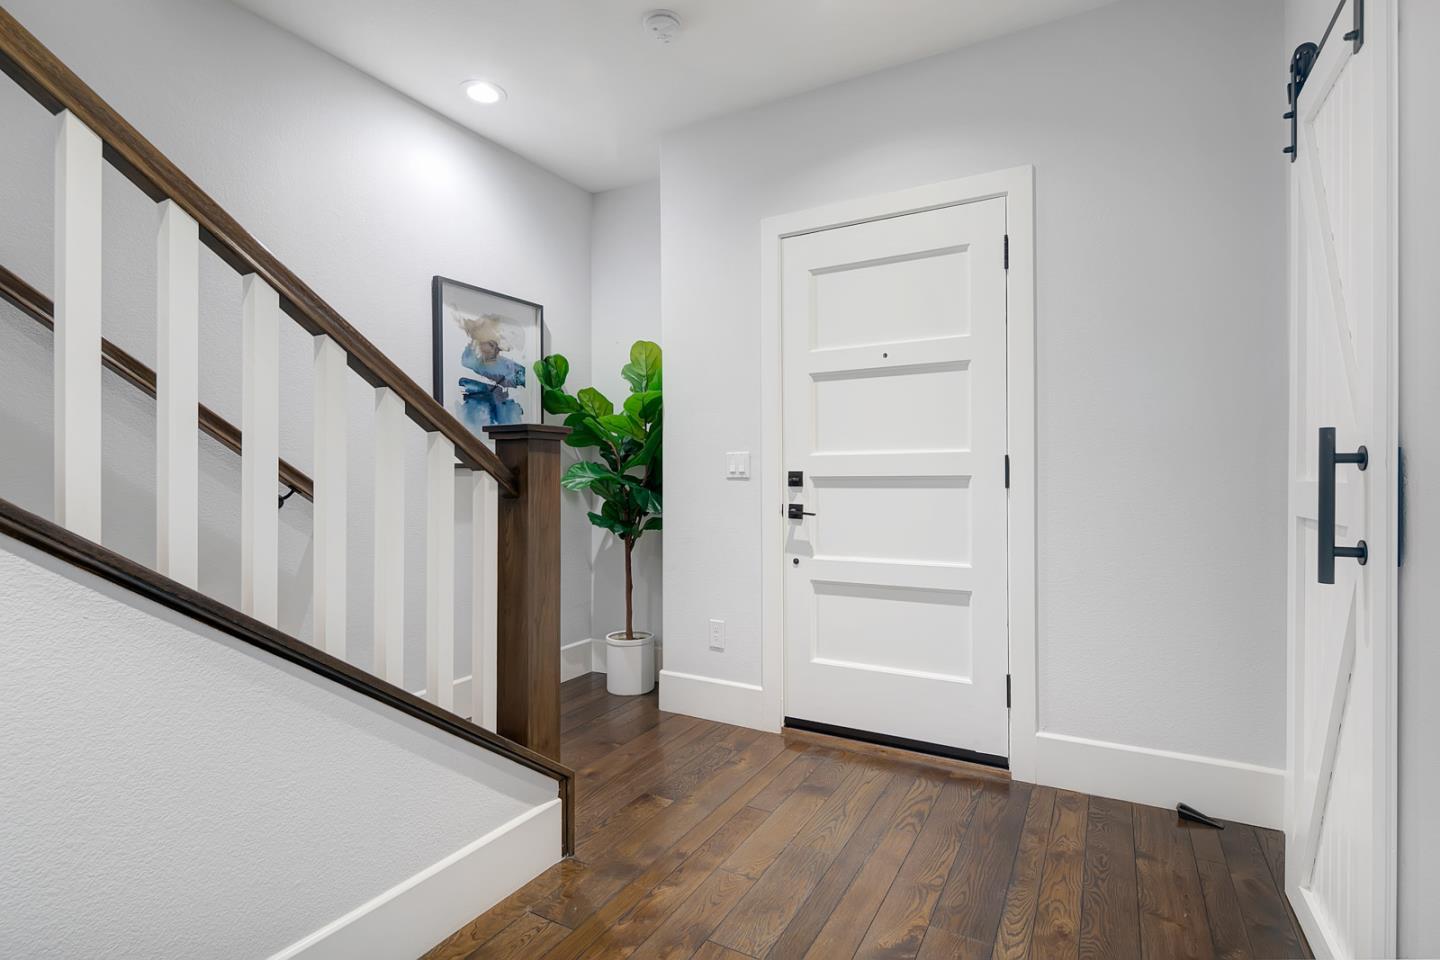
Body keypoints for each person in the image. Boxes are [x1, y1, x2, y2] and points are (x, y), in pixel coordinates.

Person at [454, 312, 526, 427]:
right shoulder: (467, 362)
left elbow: (531, 390)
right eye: (484, 343)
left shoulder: (514, 369)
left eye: (491, 344)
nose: (485, 347)